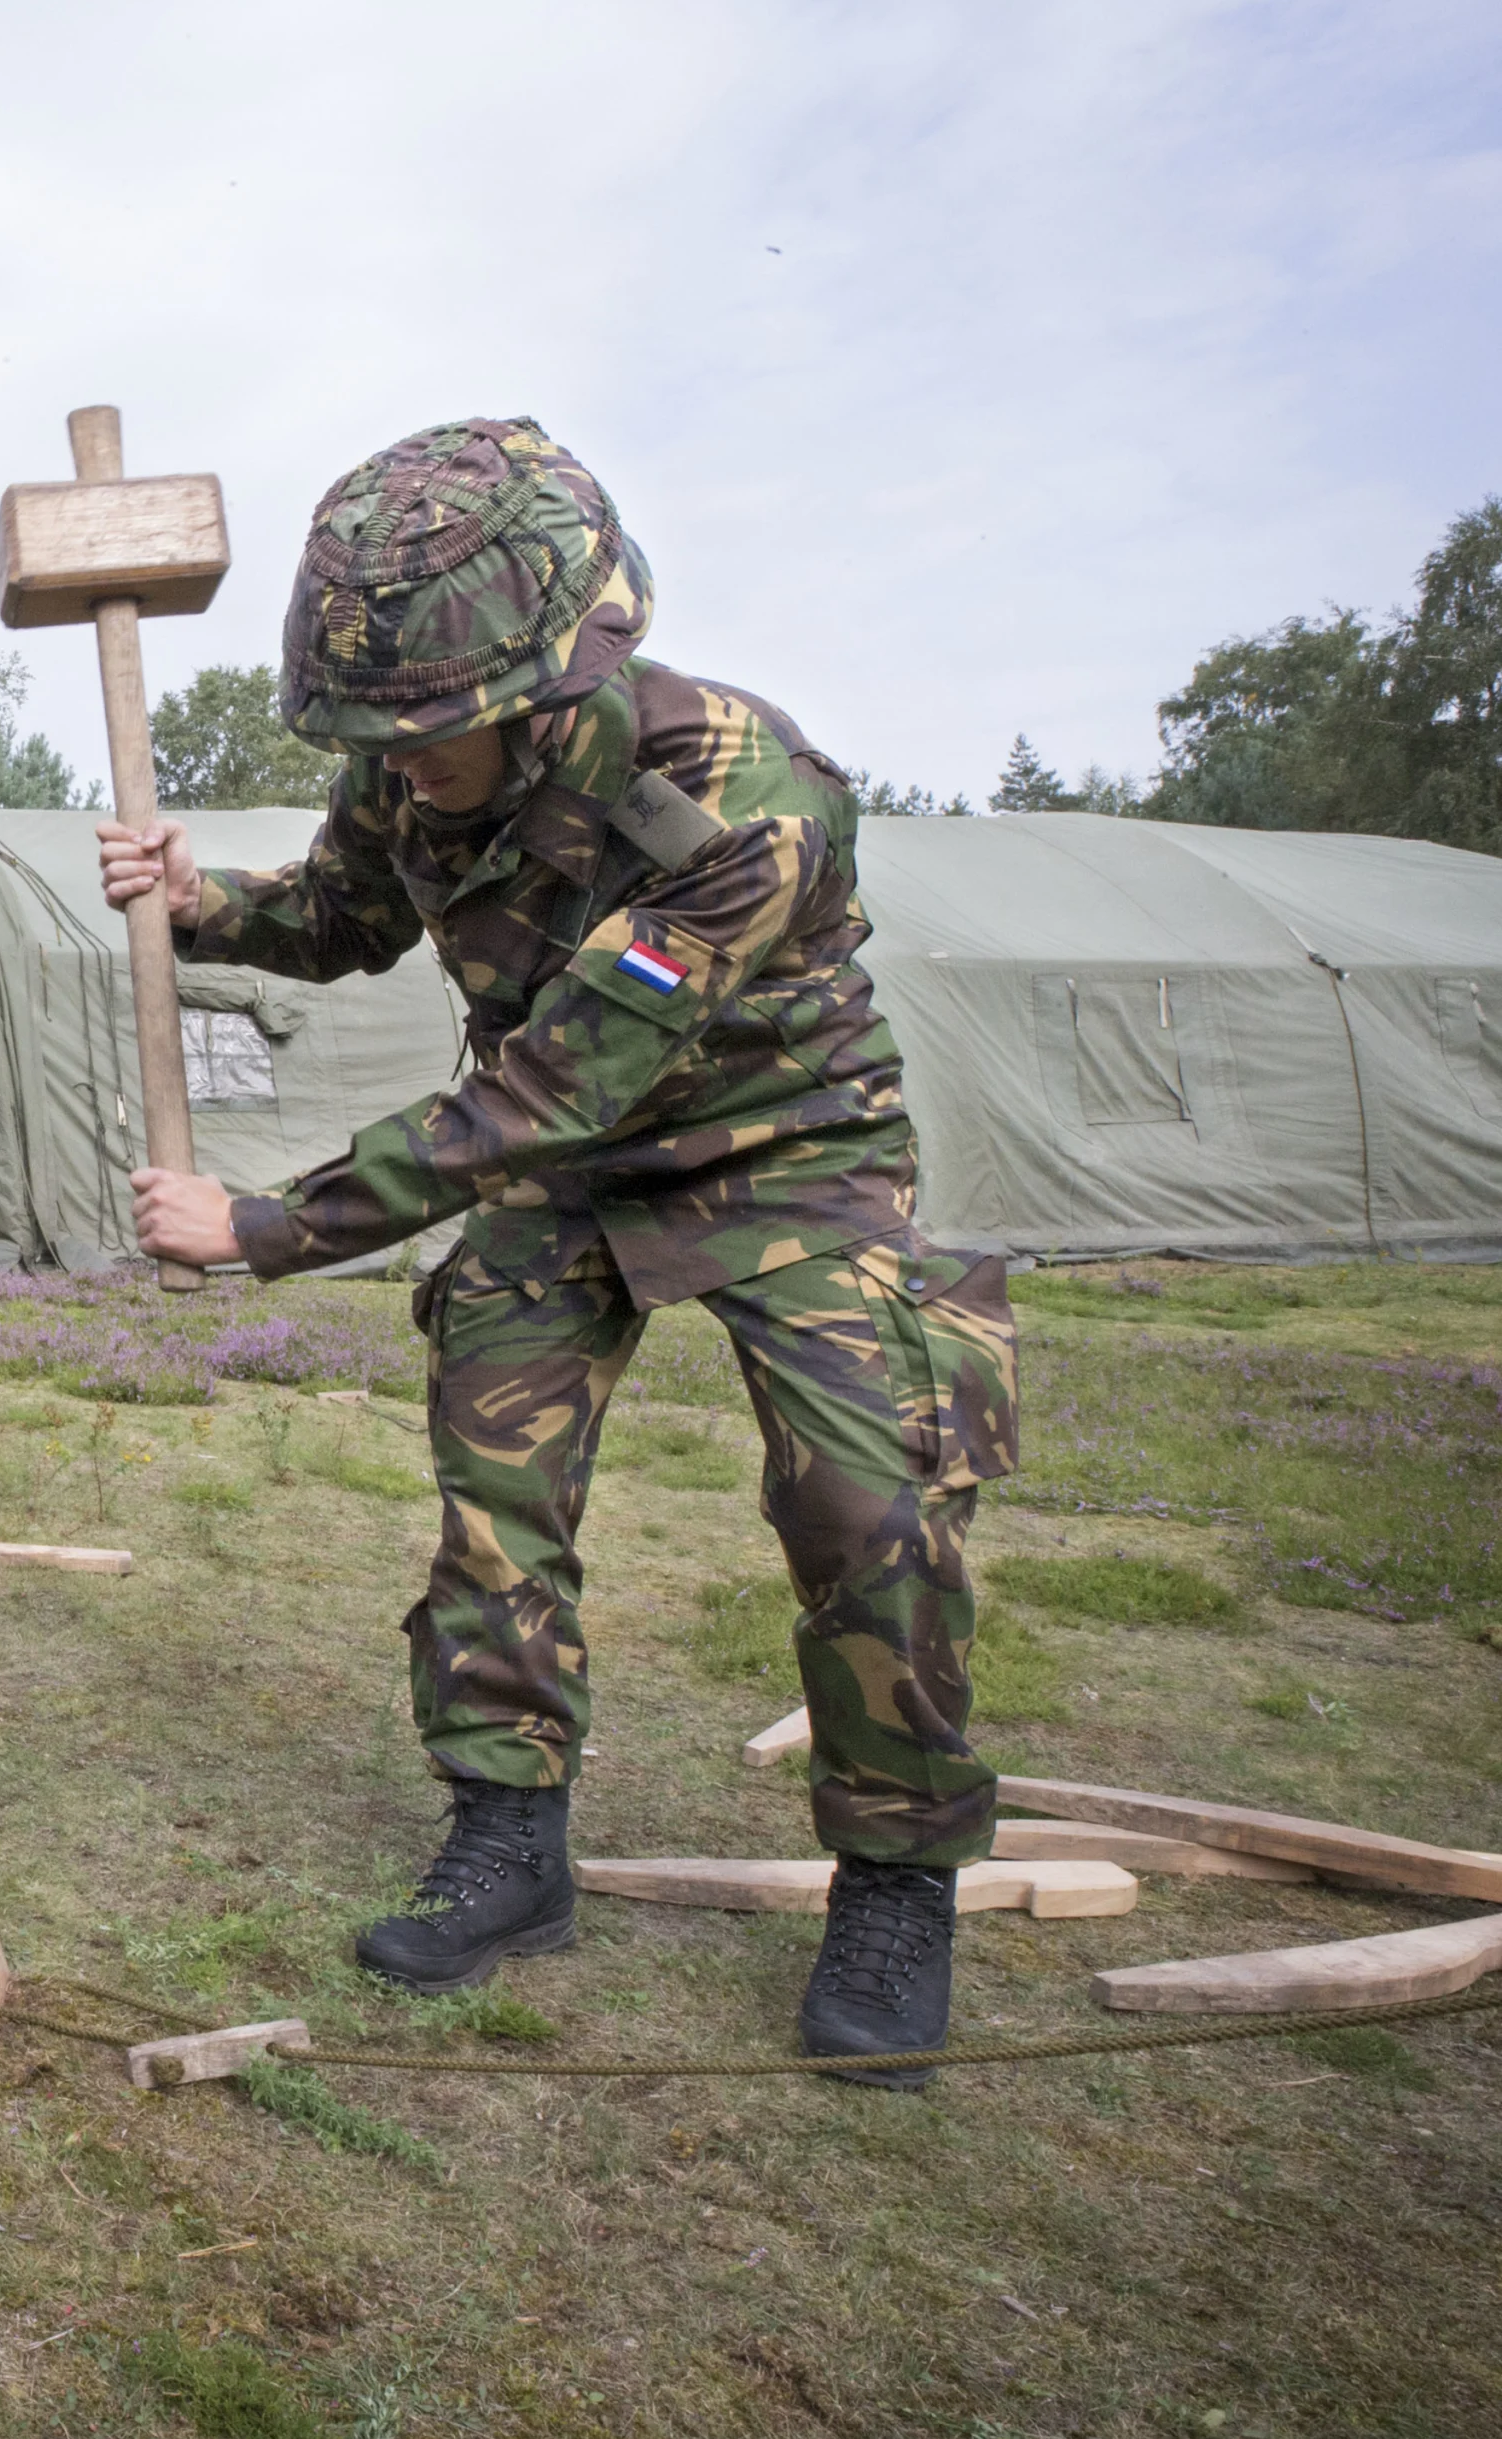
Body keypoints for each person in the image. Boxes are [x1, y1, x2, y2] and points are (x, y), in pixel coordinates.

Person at [94, 418, 1018, 2086]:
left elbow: (566, 1070)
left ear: (557, 670)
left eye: (436, 732)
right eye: (379, 733)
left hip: (781, 1148)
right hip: (565, 1167)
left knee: (868, 1499)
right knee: (495, 1490)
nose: (403, 763)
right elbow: (344, 913)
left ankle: (895, 1878)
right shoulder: (410, 753)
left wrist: (274, 1222)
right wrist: (202, 896)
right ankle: (510, 1845)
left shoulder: (744, 792)